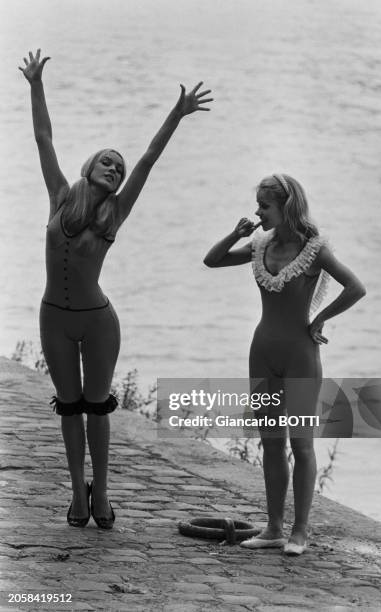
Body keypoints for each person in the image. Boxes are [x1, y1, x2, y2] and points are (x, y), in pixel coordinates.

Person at [19, 49, 213, 529]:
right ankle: (78, 496)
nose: (115, 170)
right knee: (69, 408)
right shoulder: (60, 196)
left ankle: (101, 494)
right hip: (54, 318)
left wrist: (178, 112)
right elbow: (43, 137)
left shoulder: (117, 211)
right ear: (90, 167)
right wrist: (35, 84)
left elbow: (149, 157)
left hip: (98, 320)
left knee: (97, 409)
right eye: (108, 163)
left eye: (118, 170)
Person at [203, 173, 366, 554]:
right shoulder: (259, 245)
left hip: (301, 356)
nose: (258, 212)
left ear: (286, 207)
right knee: (271, 443)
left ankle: (300, 531)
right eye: (258, 204)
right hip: (262, 352)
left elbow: (356, 288)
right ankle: (274, 528)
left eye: (264, 205)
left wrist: (320, 318)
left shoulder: (314, 250)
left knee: (302, 444)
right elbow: (212, 261)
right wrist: (235, 233)